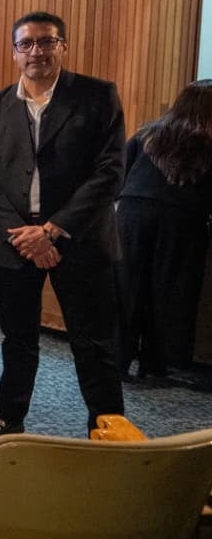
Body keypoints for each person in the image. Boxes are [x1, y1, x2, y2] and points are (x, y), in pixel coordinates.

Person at [0, 11, 126, 446]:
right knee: (18, 339)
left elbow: (110, 172)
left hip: (80, 238)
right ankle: (8, 418)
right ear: (14, 52)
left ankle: (108, 429)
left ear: (63, 46)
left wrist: (54, 230)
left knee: (92, 343)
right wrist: (24, 233)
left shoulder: (97, 96)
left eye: (46, 42)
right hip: (15, 240)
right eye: (26, 44)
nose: (36, 51)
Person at [116, 79, 212, 381]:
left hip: (131, 212)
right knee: (168, 291)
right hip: (180, 219)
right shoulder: (207, 140)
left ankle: (117, 359)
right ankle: (156, 364)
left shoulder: (148, 132)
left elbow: (121, 171)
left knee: (128, 287)